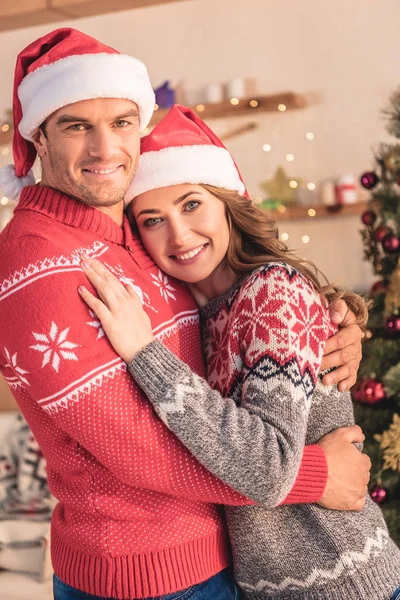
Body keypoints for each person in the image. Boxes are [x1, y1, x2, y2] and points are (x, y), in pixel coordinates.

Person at [0, 28, 369, 600]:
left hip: (224, 559)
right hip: (143, 578)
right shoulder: (33, 264)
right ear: (39, 138)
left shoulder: (126, 230)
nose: (105, 149)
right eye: (76, 125)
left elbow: (230, 322)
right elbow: (139, 448)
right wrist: (315, 476)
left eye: (122, 123)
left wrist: (329, 323)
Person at [78, 104, 400, 599]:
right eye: (152, 219)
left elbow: (267, 465)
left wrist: (144, 351)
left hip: (344, 583)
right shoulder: (192, 314)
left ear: (227, 202)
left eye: (191, 205)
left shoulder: (273, 293)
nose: (179, 236)